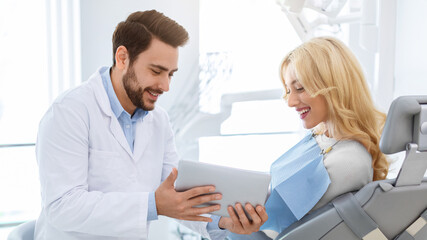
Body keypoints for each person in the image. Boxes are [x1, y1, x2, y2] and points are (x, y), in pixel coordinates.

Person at [34, 10, 267, 240]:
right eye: (156, 71)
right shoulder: (69, 112)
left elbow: (176, 195)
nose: (165, 86)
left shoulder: (159, 120)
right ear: (122, 58)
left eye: (171, 75)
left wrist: (223, 223)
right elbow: (62, 206)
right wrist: (151, 204)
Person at [230, 36, 388, 240]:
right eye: (288, 90)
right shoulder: (323, 138)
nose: (290, 101)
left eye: (300, 88)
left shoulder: (349, 163)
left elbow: (282, 229)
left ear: (334, 86)